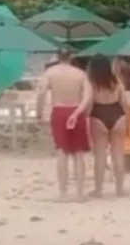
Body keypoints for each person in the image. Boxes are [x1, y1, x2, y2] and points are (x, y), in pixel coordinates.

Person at [36, 48, 93, 201]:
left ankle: (63, 193)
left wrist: (39, 112)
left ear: (57, 56)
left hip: (59, 112)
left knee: (62, 152)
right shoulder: (80, 74)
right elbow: (88, 96)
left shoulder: (50, 73)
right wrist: (79, 112)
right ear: (71, 57)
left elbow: (41, 93)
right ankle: (80, 193)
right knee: (78, 153)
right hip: (76, 111)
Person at [87, 54, 128, 197]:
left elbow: (90, 102)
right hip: (118, 114)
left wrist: (86, 117)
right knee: (118, 154)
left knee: (100, 155)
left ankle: (98, 190)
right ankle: (120, 189)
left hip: (99, 115)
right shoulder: (116, 80)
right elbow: (124, 101)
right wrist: (128, 119)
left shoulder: (92, 83)